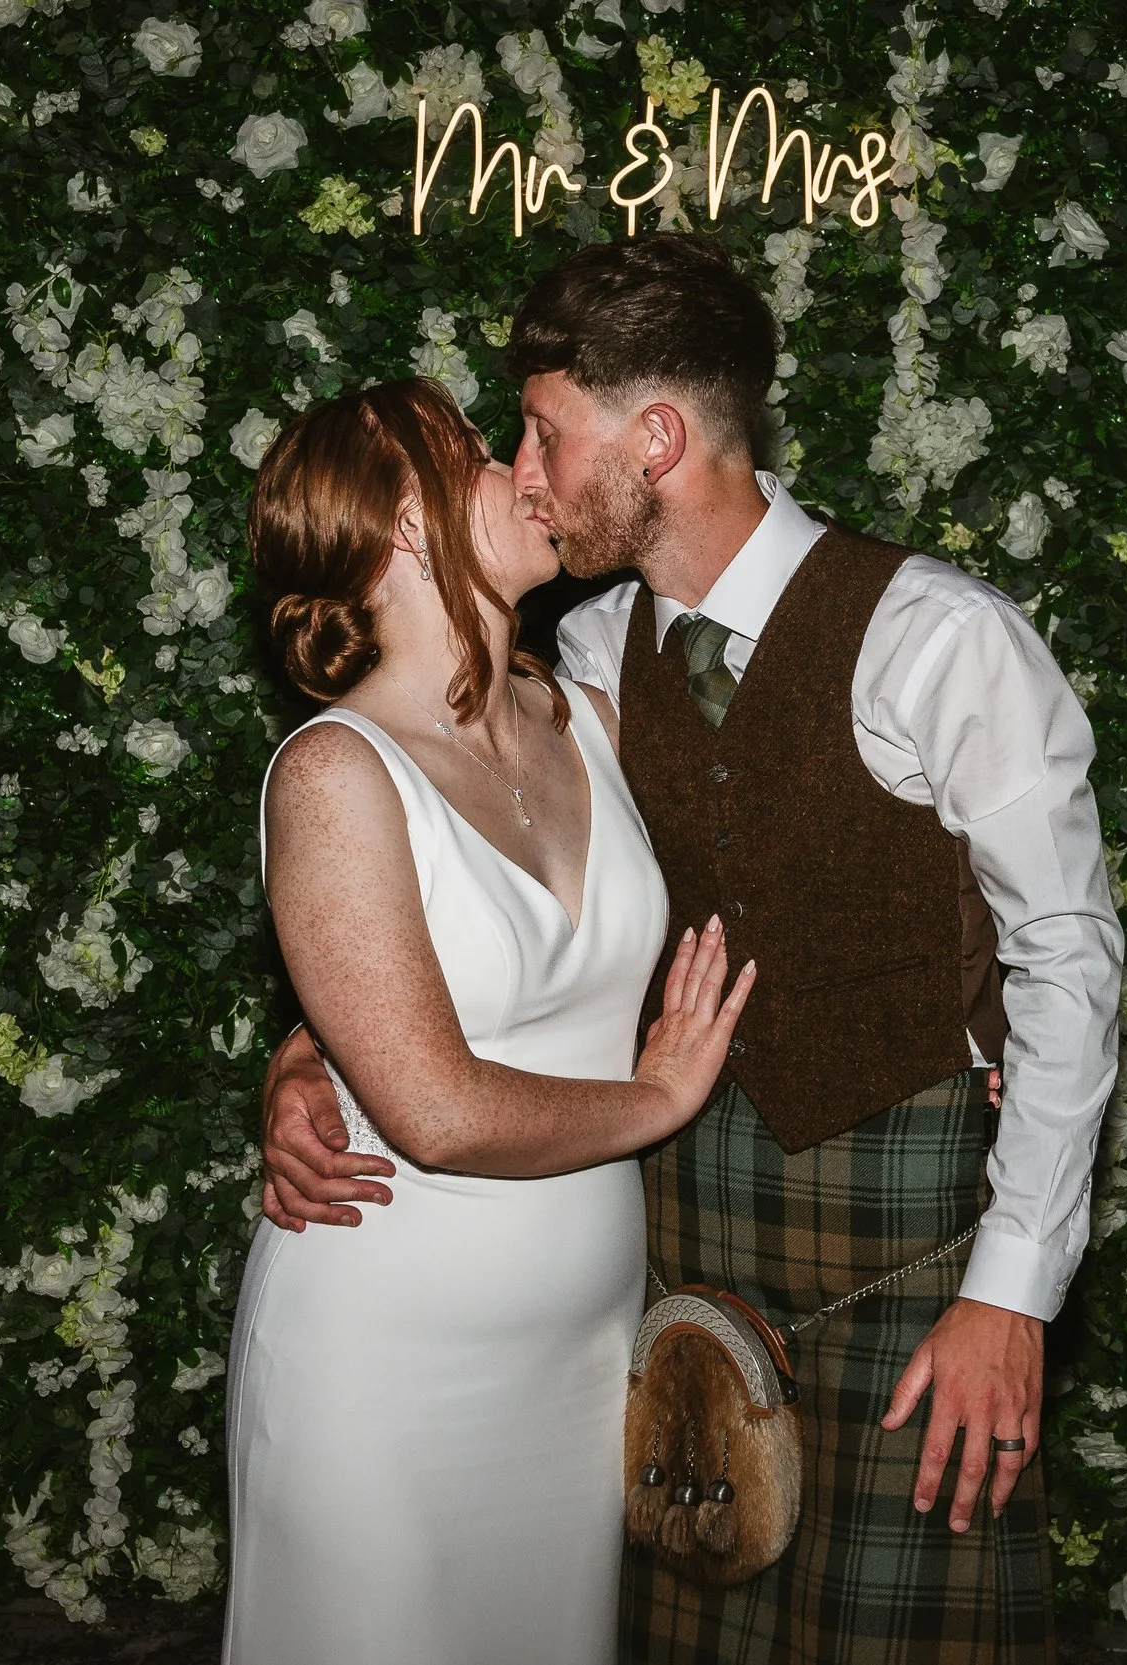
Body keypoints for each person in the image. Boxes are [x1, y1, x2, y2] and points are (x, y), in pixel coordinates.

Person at [263, 233, 1124, 1664]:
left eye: (542, 433)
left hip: (909, 1250)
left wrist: (1011, 1295)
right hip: (675, 1246)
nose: (525, 472)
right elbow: (440, 883)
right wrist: (312, 1053)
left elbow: (1070, 962)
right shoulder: (584, 665)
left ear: (653, 438)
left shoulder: (940, 638)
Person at [221, 377, 756, 1665]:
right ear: (404, 521)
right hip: (389, 1373)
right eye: (479, 449)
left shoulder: (587, 718)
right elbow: (436, 1108)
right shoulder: (337, 768)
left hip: (576, 1377)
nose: (527, 468)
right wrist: (655, 1101)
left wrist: (982, 1027)